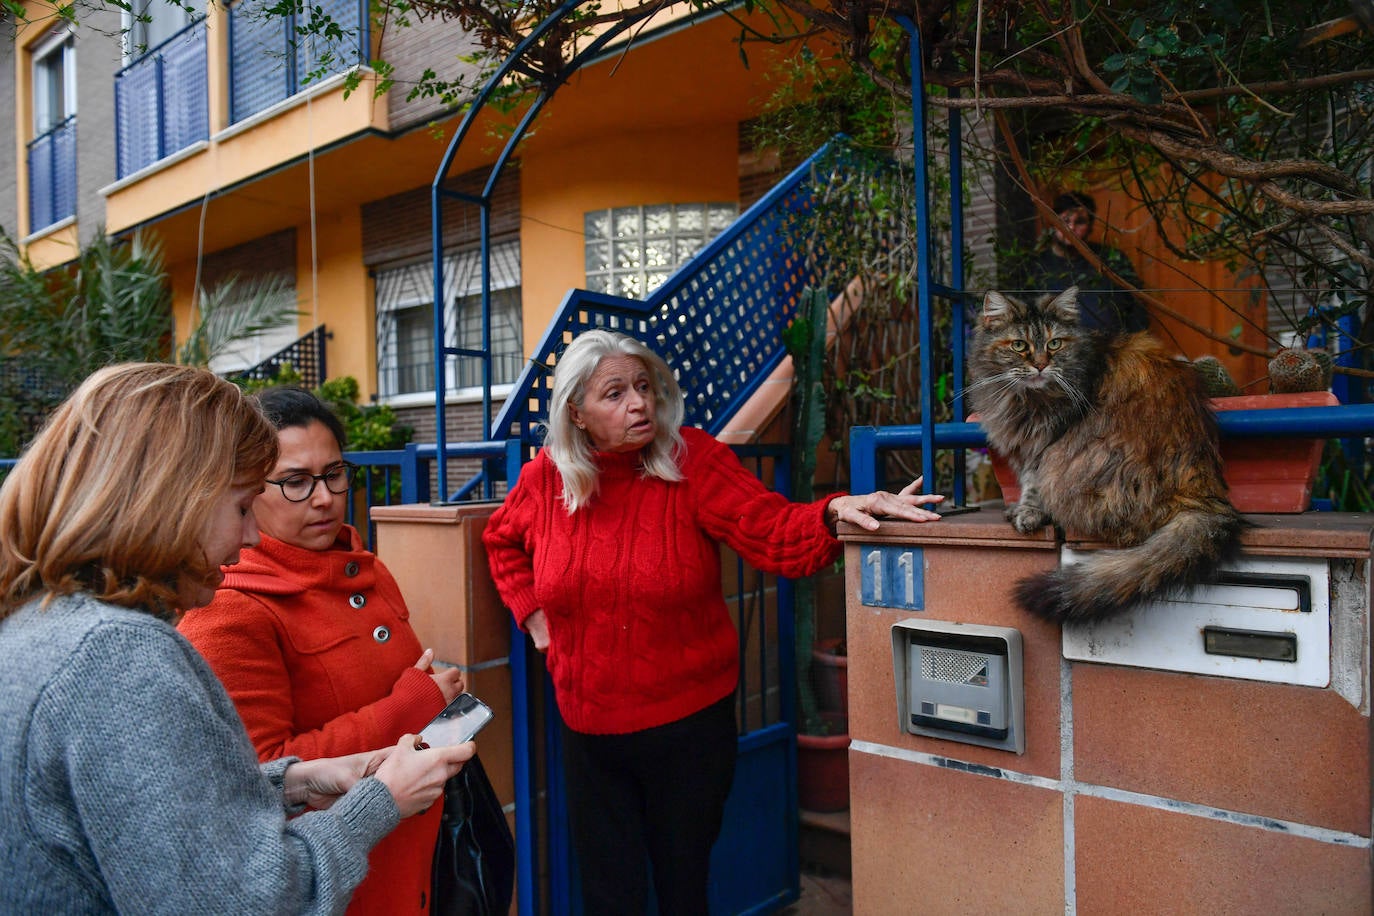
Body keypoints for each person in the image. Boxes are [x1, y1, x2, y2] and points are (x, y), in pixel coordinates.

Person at [481, 329, 945, 915]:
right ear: (576, 412)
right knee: (607, 894)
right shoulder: (547, 479)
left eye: (644, 387)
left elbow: (773, 530)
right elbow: (501, 540)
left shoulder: (690, 461)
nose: (639, 404)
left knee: (683, 889)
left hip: (688, 731)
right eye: (616, 393)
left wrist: (834, 511)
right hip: (588, 729)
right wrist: (535, 617)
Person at [0, 363, 473, 914]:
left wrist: (294, 782)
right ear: (170, 500)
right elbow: (244, 898)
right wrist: (380, 801)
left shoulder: (50, 624)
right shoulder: (117, 656)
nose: (249, 535)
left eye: (332, 474)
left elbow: (161, 811)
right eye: (243, 506)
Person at [178, 385, 464, 915]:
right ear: (244, 490)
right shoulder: (226, 607)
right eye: (294, 482)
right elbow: (255, 776)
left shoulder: (361, 565)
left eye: (333, 473)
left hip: (412, 863)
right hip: (333, 880)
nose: (324, 496)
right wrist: (409, 706)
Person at [1020, 191, 1150, 335]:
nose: (1071, 228)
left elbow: (1137, 308)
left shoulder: (1111, 260)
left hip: (1111, 348)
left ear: (1090, 225)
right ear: (1054, 224)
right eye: (1065, 221)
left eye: (1080, 222)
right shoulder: (1035, 266)